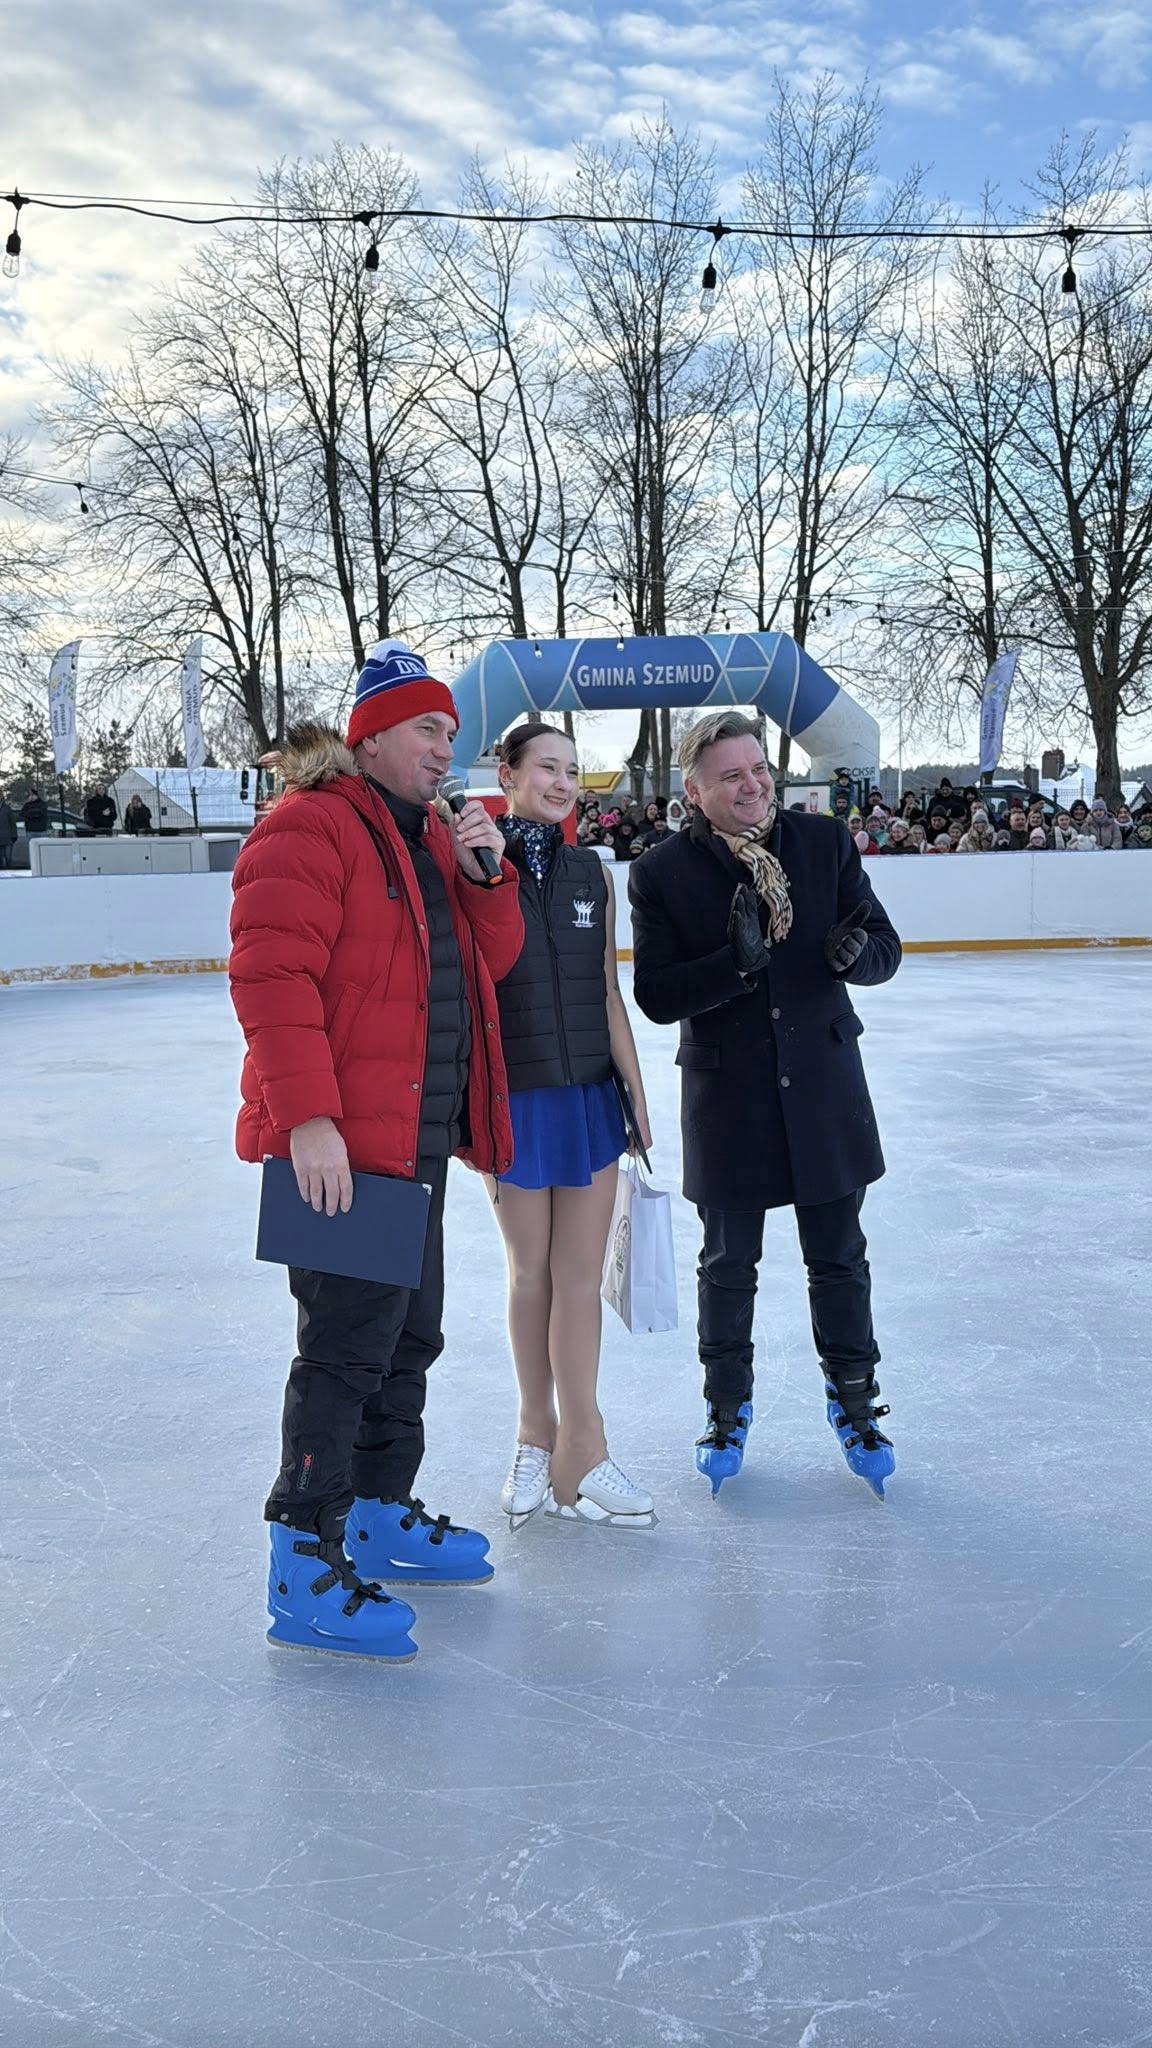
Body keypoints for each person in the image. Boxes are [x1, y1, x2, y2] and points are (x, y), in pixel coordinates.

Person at [228, 639, 524, 1664]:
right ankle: (301, 1560)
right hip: (341, 1145)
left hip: (415, 1137)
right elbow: (271, 976)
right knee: (345, 1352)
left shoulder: (430, 836)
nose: (446, 747)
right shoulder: (308, 825)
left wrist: (487, 874)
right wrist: (308, 1119)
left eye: (451, 730)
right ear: (372, 737)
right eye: (427, 729)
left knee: (407, 1339)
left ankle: (377, 1513)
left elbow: (492, 961)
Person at [628, 710, 902, 1503]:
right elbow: (656, 995)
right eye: (732, 776)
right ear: (695, 791)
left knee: (839, 1258)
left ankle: (856, 1400)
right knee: (727, 1264)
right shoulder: (661, 873)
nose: (752, 786)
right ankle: (725, 1408)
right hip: (729, 1098)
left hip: (823, 1085)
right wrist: (733, 964)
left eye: (758, 770)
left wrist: (861, 957)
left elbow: (884, 945)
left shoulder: (823, 844)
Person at [487, 721, 655, 1529]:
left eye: (572, 771)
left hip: (590, 1099)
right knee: (532, 1275)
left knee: (580, 1278)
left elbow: (607, 992)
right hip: (515, 1099)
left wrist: (637, 1093)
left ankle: (583, 1453)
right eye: (547, 768)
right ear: (508, 774)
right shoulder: (479, 865)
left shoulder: (593, 872)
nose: (562, 783)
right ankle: (535, 1435)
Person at [0, 790, 16, 869]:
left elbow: (12, 823)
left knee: (8, 858)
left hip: (7, 838)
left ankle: (9, 872)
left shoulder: (7, 808)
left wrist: (14, 836)